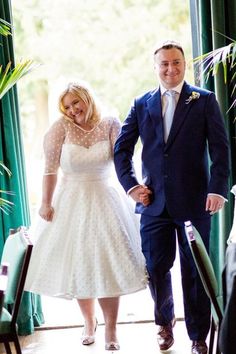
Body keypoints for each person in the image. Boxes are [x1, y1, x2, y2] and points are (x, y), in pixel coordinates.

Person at [114, 40, 230, 354]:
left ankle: (198, 337)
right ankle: (164, 325)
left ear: (184, 65)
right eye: (164, 63)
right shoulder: (141, 103)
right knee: (155, 267)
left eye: (176, 62)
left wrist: (217, 189)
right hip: (153, 205)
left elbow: (220, 151)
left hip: (195, 203)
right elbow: (122, 150)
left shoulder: (203, 100)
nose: (170, 68)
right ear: (156, 67)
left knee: (194, 272)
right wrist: (132, 186)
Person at [25, 82, 147, 351]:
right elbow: (49, 170)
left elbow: (123, 162)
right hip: (71, 201)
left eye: (76, 103)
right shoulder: (60, 128)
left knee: (107, 266)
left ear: (87, 99)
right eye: (67, 106)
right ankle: (88, 322)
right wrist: (45, 202)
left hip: (105, 198)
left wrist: (135, 189)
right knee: (81, 264)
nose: (72, 110)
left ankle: (111, 329)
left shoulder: (111, 123)